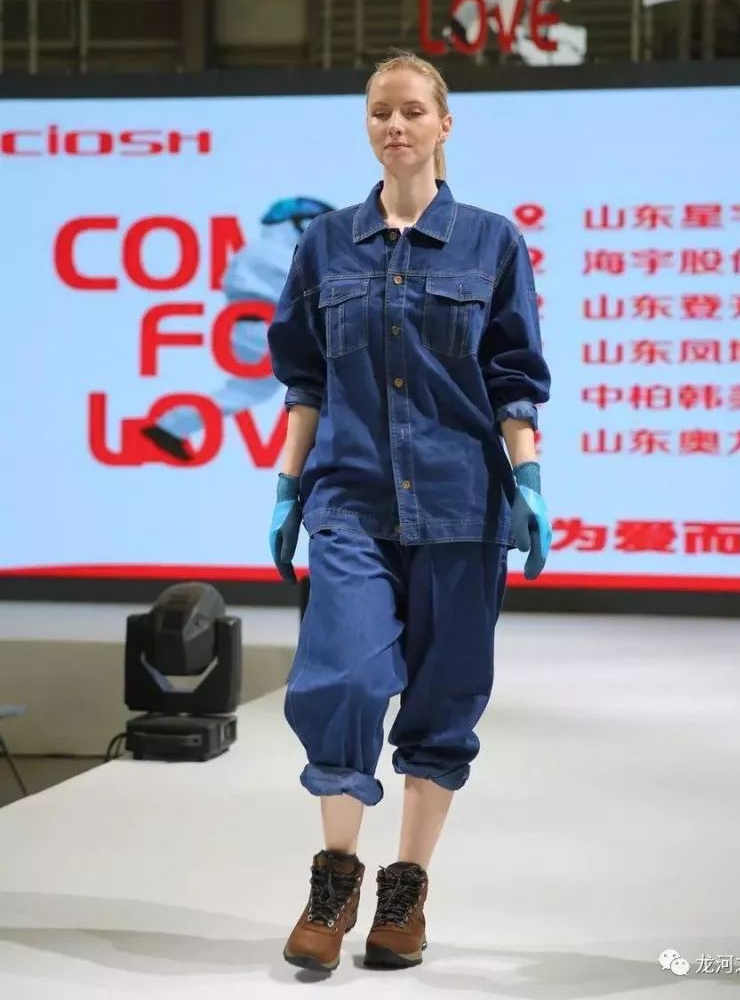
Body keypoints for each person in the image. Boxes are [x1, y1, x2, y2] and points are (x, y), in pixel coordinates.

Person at [266, 50, 552, 974]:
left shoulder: (492, 243)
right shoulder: (325, 245)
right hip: (349, 497)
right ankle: (334, 878)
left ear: (443, 124)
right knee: (342, 678)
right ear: (368, 125)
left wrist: (529, 480)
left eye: (413, 110)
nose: (396, 124)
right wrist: (287, 484)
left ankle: (406, 890)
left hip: (463, 503)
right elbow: (305, 378)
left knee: (442, 699)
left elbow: (512, 378)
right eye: (381, 111)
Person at [140, 197, 334, 462]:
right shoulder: (271, 253)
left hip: (256, 328)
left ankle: (170, 426)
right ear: (299, 223)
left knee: (248, 391)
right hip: (263, 328)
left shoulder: (267, 252)